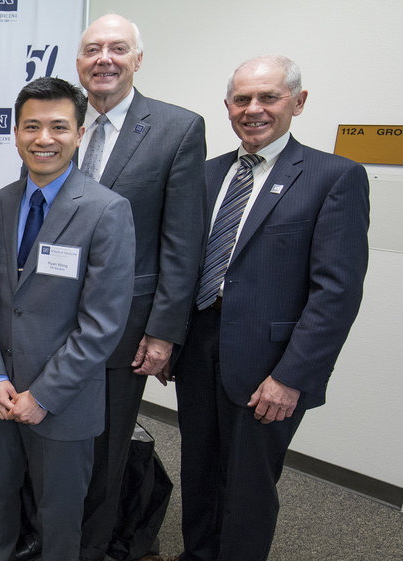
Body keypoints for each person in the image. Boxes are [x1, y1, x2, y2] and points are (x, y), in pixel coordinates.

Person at [158, 55, 370, 561]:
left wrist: (292, 376)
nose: (253, 109)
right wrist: (169, 337)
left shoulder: (333, 176)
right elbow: (181, 264)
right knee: (200, 470)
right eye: (242, 99)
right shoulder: (204, 174)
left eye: (268, 97)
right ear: (227, 107)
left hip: (269, 363)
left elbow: (336, 293)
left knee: (249, 486)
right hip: (199, 346)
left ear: (297, 102)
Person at [0, 77, 135, 561]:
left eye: (59, 127)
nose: (44, 139)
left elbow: (102, 324)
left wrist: (43, 394)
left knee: (60, 520)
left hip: (63, 404)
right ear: (16, 133)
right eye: (32, 126)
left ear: (80, 134)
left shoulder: (107, 211)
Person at [73, 15, 207, 561]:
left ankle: (90, 545)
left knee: (105, 449)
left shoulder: (178, 128)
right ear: (79, 62)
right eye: (92, 49)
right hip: (51, 316)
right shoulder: (59, 120)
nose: (104, 58)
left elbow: (181, 241)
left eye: (117, 49)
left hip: (127, 324)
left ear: (138, 59)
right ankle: (51, 531)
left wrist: (163, 331)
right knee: (52, 438)